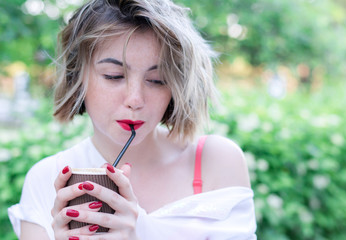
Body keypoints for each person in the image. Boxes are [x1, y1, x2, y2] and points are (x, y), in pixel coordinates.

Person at [8, 0, 257, 239]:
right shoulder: (46, 179)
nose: (135, 99)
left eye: (157, 80)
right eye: (114, 76)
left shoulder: (217, 162)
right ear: (77, 76)